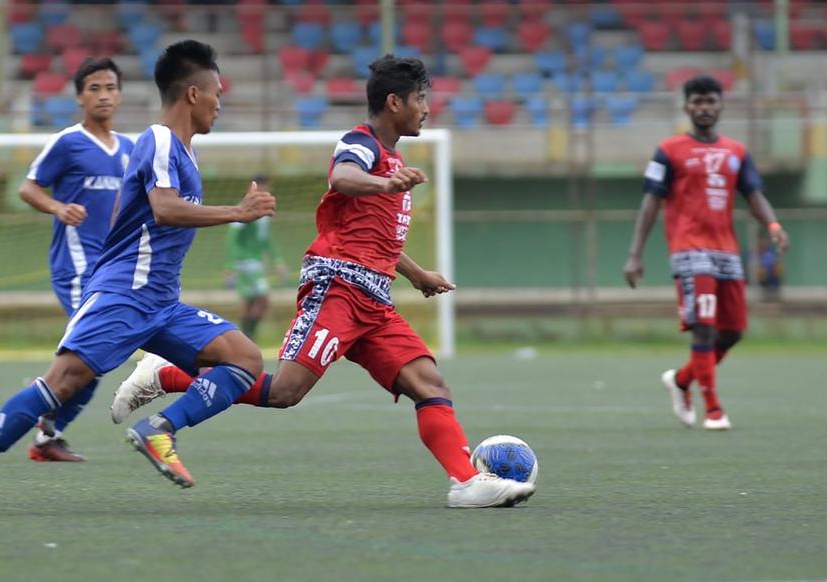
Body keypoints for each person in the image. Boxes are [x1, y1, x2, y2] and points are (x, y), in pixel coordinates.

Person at [112, 55, 535, 509]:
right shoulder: (362, 144)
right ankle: (167, 375)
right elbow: (343, 176)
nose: (426, 108)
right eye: (420, 99)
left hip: (373, 302)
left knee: (430, 384)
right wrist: (386, 184)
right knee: (284, 392)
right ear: (394, 103)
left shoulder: (392, 159)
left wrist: (417, 275)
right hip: (337, 289)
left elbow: (377, 239)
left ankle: (466, 482)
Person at [0, 39, 276, 515]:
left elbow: (130, 209)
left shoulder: (178, 151)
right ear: (193, 95)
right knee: (62, 385)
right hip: (125, 296)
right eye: (217, 93)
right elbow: (162, 210)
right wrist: (237, 213)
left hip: (160, 302)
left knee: (243, 357)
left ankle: (158, 429)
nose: (221, 104)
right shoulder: (160, 139)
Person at [623, 75, 790, 431]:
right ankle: (713, 409)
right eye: (697, 102)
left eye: (710, 101)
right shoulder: (668, 151)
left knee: (732, 333)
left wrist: (773, 226)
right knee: (704, 328)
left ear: (720, 105)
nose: (704, 108)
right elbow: (651, 201)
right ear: (686, 107)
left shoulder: (737, 152)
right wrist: (635, 254)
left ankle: (682, 381)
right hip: (689, 249)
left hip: (727, 252)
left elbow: (754, 194)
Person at [17, 57, 134, 462]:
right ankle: (33, 410)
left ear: (120, 95)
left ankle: (47, 435)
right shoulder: (68, 142)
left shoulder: (131, 149)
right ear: (80, 96)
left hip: (113, 270)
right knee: (90, 354)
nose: (104, 96)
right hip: (77, 269)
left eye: (111, 88)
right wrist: (57, 207)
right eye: (95, 88)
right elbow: (28, 188)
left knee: (96, 360)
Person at [223, 175, 288, 340]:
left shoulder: (264, 212)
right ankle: (248, 335)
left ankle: (244, 337)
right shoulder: (244, 208)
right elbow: (232, 237)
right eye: (262, 188)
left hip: (256, 261)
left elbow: (265, 239)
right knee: (262, 298)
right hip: (245, 262)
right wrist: (231, 265)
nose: (266, 192)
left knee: (250, 301)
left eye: (267, 189)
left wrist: (277, 261)